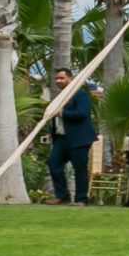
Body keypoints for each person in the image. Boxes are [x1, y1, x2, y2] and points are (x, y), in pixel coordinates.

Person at [44, 69, 99, 204]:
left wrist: (62, 113)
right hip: (61, 138)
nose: (58, 81)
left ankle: (81, 199)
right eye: (56, 79)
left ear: (71, 79)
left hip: (79, 139)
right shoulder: (58, 96)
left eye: (62, 78)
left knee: (79, 169)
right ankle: (62, 196)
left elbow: (82, 113)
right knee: (53, 163)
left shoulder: (80, 95)